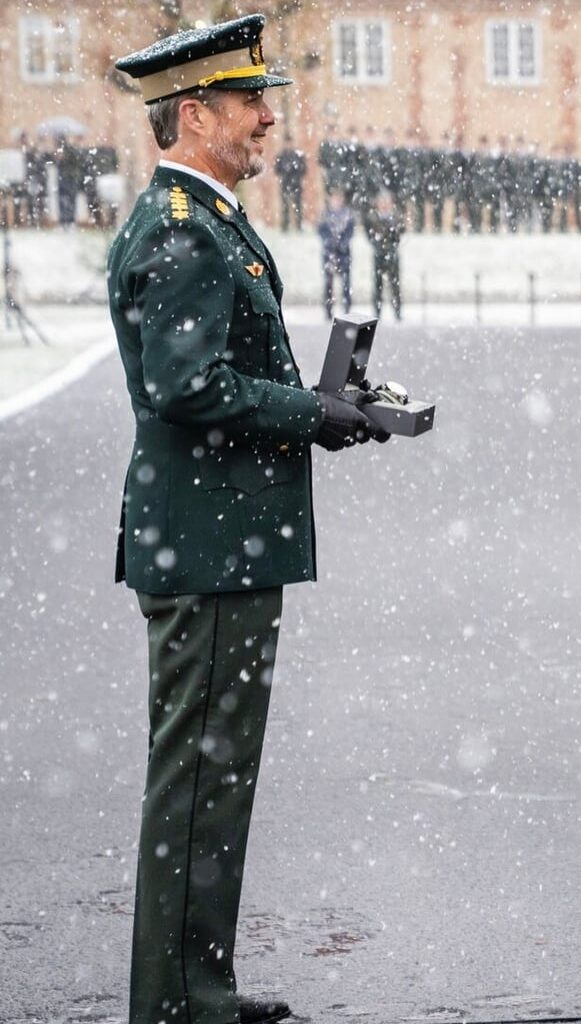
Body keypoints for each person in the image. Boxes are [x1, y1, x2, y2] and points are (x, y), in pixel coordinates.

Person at [109, 16, 388, 1024]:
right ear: (194, 113)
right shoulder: (181, 226)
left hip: (219, 536)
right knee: (197, 783)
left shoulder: (202, 216)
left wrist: (328, 407)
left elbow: (216, 378)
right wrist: (313, 410)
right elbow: (188, 387)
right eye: (249, 100)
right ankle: (178, 999)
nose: (269, 115)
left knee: (216, 781)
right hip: (209, 544)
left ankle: (199, 984)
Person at [365, 189, 404, 319]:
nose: (384, 205)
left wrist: (390, 246)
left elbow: (398, 236)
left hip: (392, 255)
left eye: (387, 202)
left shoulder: (396, 217)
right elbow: (370, 236)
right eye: (382, 202)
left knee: (395, 286)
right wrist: (379, 246)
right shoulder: (372, 218)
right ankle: (377, 313)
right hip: (379, 255)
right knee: (378, 286)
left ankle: (397, 312)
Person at [317, 188, 354, 319]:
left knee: (346, 284)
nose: (337, 201)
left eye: (339, 199)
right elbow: (321, 231)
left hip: (344, 254)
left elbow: (350, 231)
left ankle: (347, 309)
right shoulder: (325, 215)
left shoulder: (348, 214)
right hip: (329, 253)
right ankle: (328, 311)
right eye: (334, 198)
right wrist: (330, 242)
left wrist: (342, 243)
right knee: (328, 284)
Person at [274, 138, 307, 231]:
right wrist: (285, 171)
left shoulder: (298, 155)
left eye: (290, 143)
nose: (288, 145)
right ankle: (285, 226)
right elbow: (277, 170)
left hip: (296, 184)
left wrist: (295, 171)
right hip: (285, 184)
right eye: (287, 143)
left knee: (298, 206)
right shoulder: (281, 156)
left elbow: (304, 169)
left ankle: (299, 226)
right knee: (285, 207)